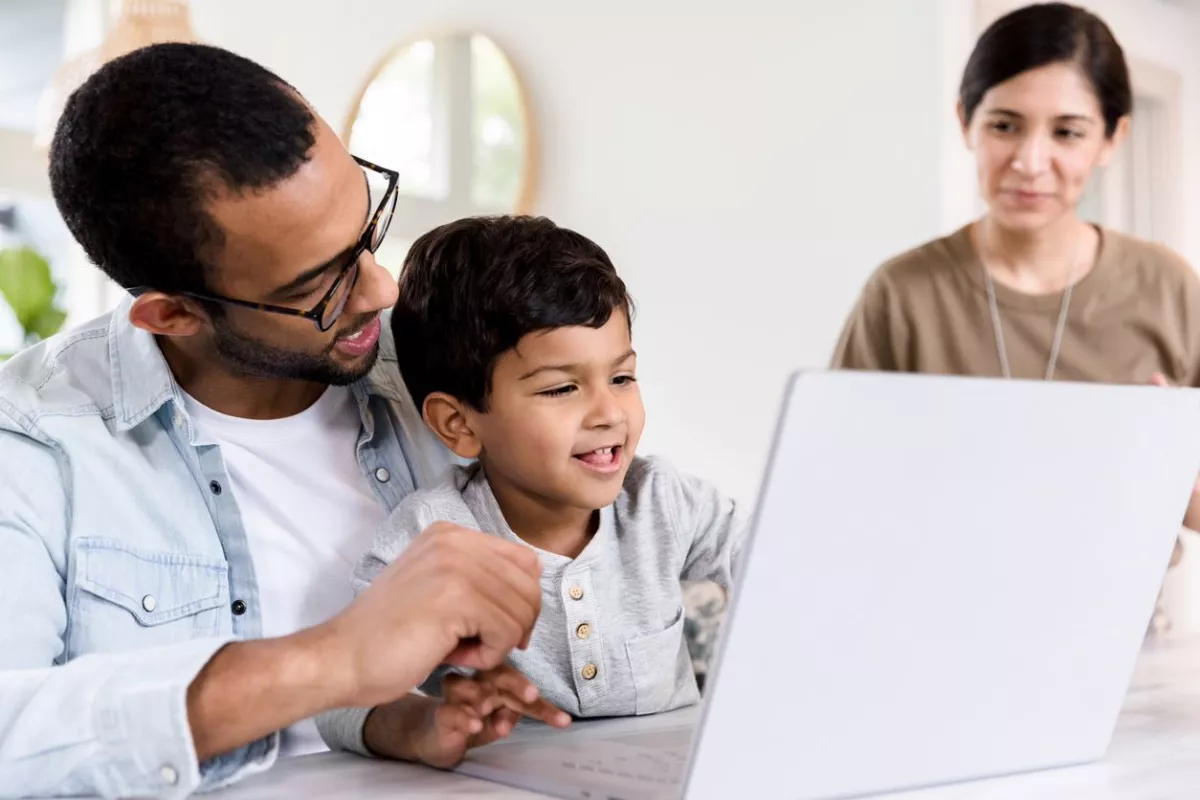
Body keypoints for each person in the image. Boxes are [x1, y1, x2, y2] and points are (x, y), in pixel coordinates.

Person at [0, 43, 561, 800]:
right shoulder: (31, 441)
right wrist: (331, 660)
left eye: (366, 229)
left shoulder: (441, 380)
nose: (381, 290)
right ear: (173, 314)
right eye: (317, 287)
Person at [317, 216, 748, 767]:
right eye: (561, 388)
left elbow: (786, 568)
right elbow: (338, 700)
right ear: (460, 425)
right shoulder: (434, 539)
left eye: (622, 378)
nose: (609, 412)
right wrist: (422, 724)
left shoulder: (662, 499)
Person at [831, 3, 1200, 586]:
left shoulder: (1170, 287)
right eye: (1004, 125)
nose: (1031, 162)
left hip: (1130, 626)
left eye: (1067, 132)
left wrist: (1167, 458)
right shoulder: (902, 294)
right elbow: (841, 495)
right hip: (941, 609)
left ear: (1112, 137)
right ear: (965, 122)